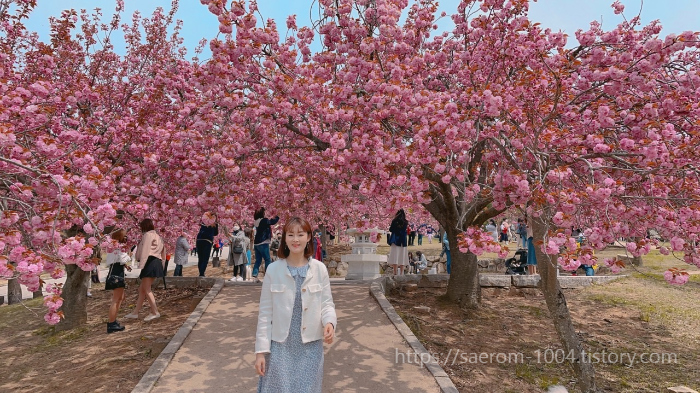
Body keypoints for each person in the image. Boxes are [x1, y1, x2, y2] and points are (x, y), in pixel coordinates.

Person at [254, 217, 336, 393]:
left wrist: (329, 322)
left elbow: (327, 304)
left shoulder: (319, 269)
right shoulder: (273, 270)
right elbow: (265, 314)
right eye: (290, 235)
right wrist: (260, 352)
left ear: (309, 237)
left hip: (310, 347)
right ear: (284, 238)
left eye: (300, 234)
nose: (295, 239)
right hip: (279, 347)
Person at [125, 218, 165, 321]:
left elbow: (145, 251)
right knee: (142, 289)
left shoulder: (148, 235)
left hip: (150, 262)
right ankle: (135, 312)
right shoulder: (158, 236)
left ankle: (155, 312)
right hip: (156, 262)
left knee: (147, 289)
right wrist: (162, 266)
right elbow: (163, 253)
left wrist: (141, 265)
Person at [105, 229, 132, 333]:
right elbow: (123, 258)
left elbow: (117, 260)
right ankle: (111, 323)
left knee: (120, 298)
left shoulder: (114, 247)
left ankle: (113, 321)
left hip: (117, 273)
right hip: (116, 275)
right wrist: (130, 253)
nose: (126, 237)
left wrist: (125, 265)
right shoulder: (117, 247)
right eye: (124, 235)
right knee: (116, 300)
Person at [252, 207, 280, 283]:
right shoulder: (264, 221)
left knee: (258, 260)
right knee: (267, 259)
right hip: (263, 242)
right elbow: (272, 222)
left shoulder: (256, 221)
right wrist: (277, 216)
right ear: (262, 213)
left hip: (256, 243)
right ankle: (268, 275)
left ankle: (255, 276)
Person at [196, 213, 219, 277]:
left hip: (199, 240)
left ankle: (201, 272)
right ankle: (202, 273)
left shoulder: (203, 221)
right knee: (205, 258)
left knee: (200, 258)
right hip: (207, 241)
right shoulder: (214, 224)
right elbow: (216, 233)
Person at [387, 209, 409, 275]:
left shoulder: (394, 221)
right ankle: (401, 272)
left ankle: (395, 272)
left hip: (395, 240)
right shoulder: (405, 221)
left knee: (395, 255)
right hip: (403, 240)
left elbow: (391, 229)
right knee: (402, 256)